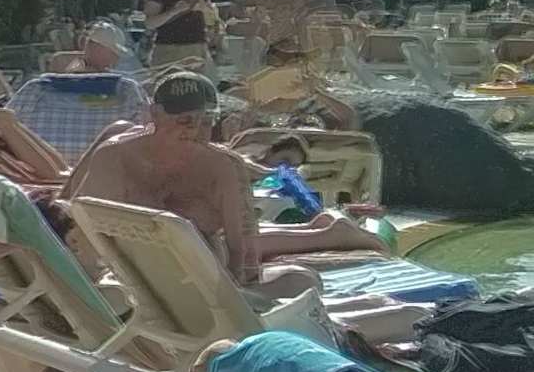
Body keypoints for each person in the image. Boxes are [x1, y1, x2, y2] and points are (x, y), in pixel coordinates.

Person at [63, 71, 386, 285]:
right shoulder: (114, 156)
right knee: (297, 279)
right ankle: (328, 233)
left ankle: (330, 233)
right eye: (184, 120)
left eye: (207, 121)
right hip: (142, 286)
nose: (195, 130)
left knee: (298, 278)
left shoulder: (221, 168)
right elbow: (80, 234)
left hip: (194, 288)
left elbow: (244, 260)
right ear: (154, 115)